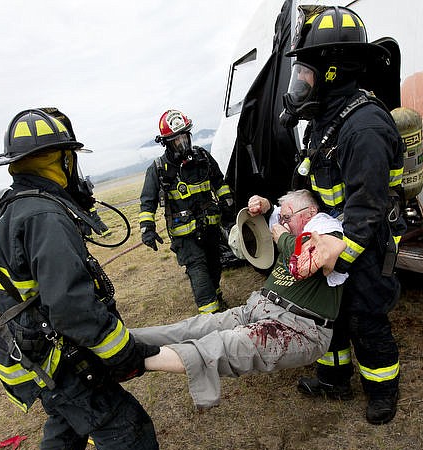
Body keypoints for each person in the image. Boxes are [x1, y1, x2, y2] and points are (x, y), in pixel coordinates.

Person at [0, 108, 213, 450]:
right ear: (60, 159)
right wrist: (122, 352)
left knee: (67, 417)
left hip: (21, 354)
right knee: (119, 419)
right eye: (71, 157)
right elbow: (72, 307)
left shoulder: (15, 206)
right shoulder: (44, 216)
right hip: (49, 357)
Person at [281, 6, 406, 425]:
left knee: (364, 320)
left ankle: (382, 392)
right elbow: (319, 186)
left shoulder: (364, 127)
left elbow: (368, 209)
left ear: (333, 71)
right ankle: (334, 380)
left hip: (363, 244)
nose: (300, 82)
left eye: (306, 73)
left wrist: (338, 257)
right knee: (330, 315)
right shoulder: (325, 121)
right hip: (334, 236)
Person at [133, 190, 346, 409]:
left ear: (311, 212)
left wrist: (282, 236)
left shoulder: (328, 229)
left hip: (297, 326)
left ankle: (131, 361)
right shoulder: (296, 225)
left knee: (224, 346)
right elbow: (273, 216)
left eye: (287, 218)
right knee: (194, 327)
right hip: (259, 308)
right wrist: (265, 205)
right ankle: (123, 339)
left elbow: (316, 254)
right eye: (281, 218)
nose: (282, 223)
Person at [139, 109, 235, 314]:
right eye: (176, 139)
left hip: (210, 226)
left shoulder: (203, 158)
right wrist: (147, 228)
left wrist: (227, 201)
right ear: (167, 142)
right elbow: (147, 201)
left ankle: (216, 297)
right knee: (198, 270)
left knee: (214, 265)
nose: (182, 143)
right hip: (185, 236)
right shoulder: (158, 169)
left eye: (184, 136)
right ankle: (211, 316)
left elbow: (219, 182)